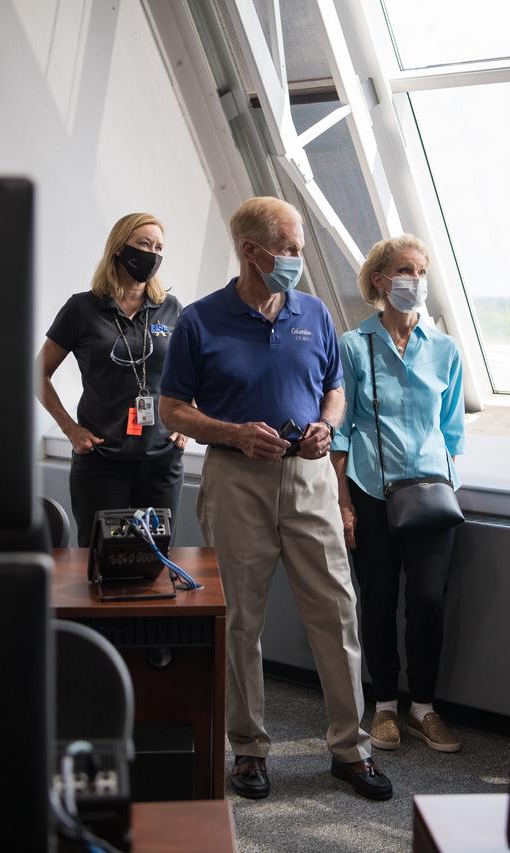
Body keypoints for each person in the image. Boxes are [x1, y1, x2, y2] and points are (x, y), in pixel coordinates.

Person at [159, 196, 392, 801]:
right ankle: (249, 750)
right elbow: (171, 407)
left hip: (310, 477)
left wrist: (327, 425)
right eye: (288, 248)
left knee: (337, 611)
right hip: (237, 479)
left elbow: (334, 390)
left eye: (297, 246)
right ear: (251, 251)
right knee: (239, 620)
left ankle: (350, 750)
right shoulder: (200, 320)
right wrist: (231, 431)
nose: (297, 258)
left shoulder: (314, 314)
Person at [331, 235, 466, 755]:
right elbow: (340, 434)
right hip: (369, 490)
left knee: (429, 600)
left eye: (422, 270)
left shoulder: (446, 349)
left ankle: (424, 708)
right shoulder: (353, 344)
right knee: (379, 600)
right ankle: (384, 705)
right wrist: (343, 503)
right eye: (406, 270)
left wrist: (452, 484)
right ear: (381, 280)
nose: (417, 280)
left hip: (432, 491)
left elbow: (452, 429)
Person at [37, 213, 187, 546]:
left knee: (155, 560)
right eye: (144, 244)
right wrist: (70, 429)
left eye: (159, 247)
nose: (152, 254)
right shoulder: (82, 309)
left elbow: (200, 370)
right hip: (103, 462)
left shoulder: (172, 309)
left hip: (161, 461)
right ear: (119, 248)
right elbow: (39, 373)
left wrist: (188, 417)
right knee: (101, 560)